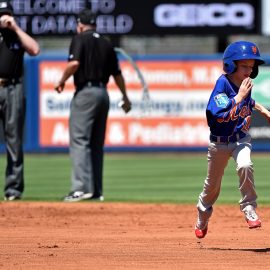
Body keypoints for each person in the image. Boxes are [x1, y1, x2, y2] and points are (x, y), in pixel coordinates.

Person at [194, 41, 270, 238]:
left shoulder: (245, 84)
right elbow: (217, 111)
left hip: (241, 138)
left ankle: (249, 208)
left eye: (251, 67)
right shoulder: (223, 83)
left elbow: (247, 101)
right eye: (244, 65)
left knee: (245, 165)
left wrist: (261, 109)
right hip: (219, 143)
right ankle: (203, 214)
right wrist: (239, 97)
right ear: (231, 64)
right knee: (212, 186)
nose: (249, 70)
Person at [54, 8, 132, 202]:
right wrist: (125, 97)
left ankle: (80, 188)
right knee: (96, 144)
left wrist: (62, 80)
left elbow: (74, 64)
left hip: (86, 92)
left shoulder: (80, 38)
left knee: (80, 140)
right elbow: (117, 74)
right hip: (102, 94)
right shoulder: (106, 43)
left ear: (80, 25)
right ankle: (96, 190)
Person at [0, 1, 40, 201]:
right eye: (1, 14)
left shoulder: (17, 35)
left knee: (14, 139)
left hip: (13, 87)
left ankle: (13, 189)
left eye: (7, 14)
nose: (4, 17)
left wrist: (15, 28)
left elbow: (35, 50)